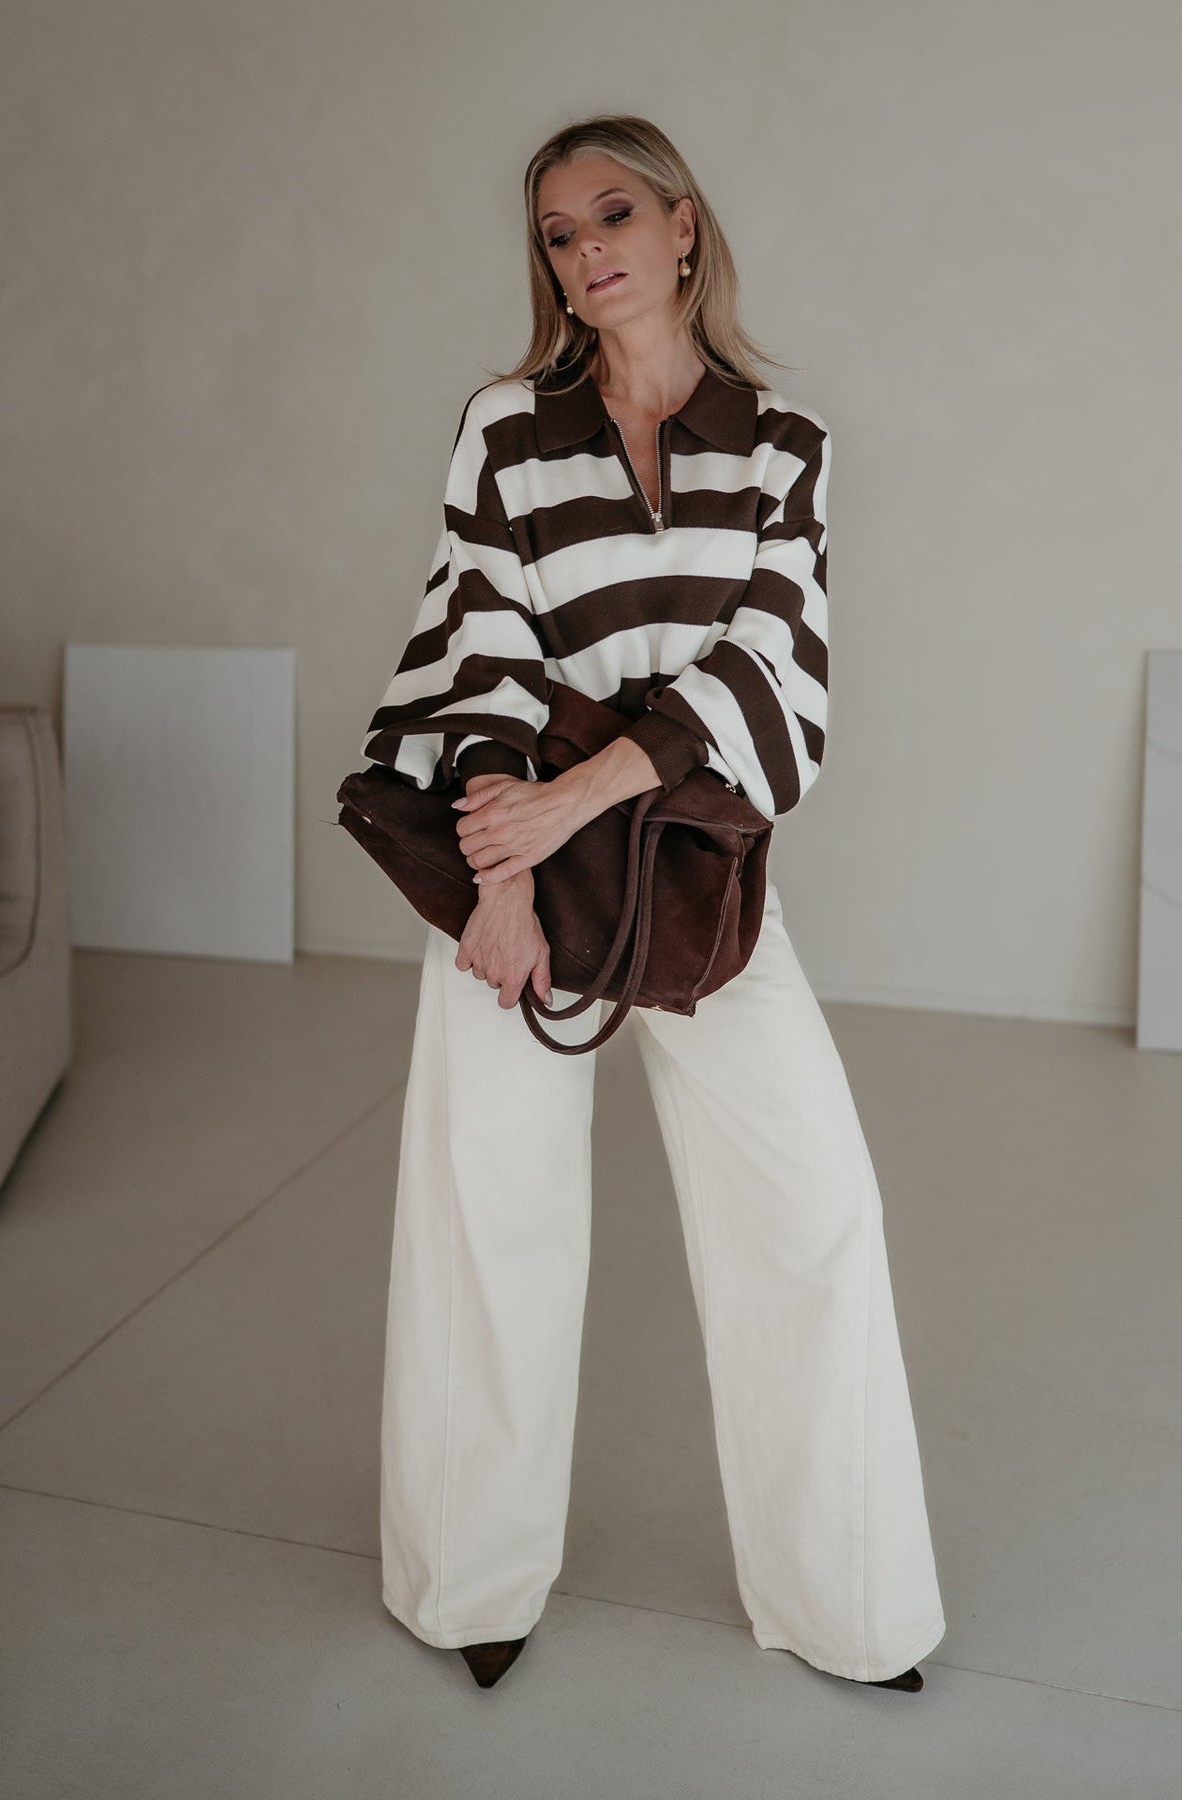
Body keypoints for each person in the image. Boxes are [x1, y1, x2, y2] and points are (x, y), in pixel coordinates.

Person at [357, 113, 946, 1692]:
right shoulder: (505, 427)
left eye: (612, 214)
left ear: (683, 227)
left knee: (811, 1217)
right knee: (487, 1216)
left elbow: (769, 667)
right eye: (557, 233)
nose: (586, 249)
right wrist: (500, 882)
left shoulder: (782, 440)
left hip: (690, 869)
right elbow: (476, 643)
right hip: (510, 868)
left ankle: (848, 1606)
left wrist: (580, 794)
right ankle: (469, 1588)